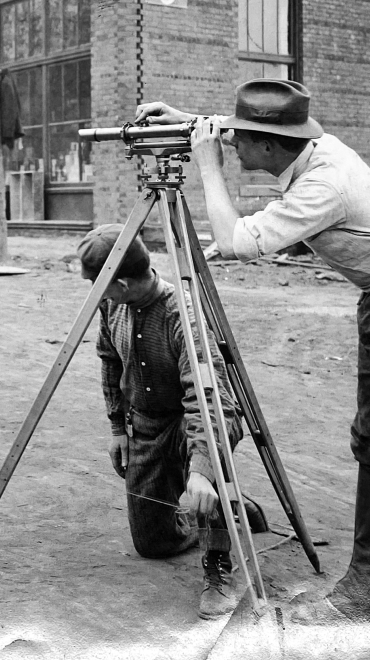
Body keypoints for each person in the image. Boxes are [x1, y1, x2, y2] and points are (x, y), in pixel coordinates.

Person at [136, 78, 370, 660]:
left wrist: (207, 170)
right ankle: (369, 584)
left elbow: (237, 242)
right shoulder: (301, 150)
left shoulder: (323, 184)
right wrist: (186, 119)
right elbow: (249, 130)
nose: (233, 145)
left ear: (270, 146)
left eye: (241, 140)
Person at [79, 224, 248, 620]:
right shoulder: (111, 305)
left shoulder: (183, 315)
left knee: (208, 470)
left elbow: (211, 401)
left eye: (97, 285)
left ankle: (219, 560)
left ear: (120, 283)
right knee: (152, 542)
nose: (93, 294)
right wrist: (119, 428)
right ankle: (237, 508)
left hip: (197, 420)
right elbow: (110, 361)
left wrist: (204, 468)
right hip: (146, 423)